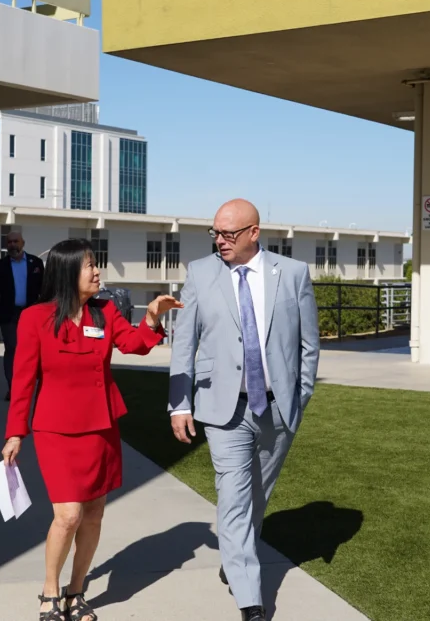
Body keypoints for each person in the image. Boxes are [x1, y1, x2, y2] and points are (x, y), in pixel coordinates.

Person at [1, 238, 182, 621]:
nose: (98, 271)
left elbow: (134, 344)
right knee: (67, 515)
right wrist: (15, 432)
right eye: (89, 265)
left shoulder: (106, 312)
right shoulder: (35, 318)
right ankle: (50, 591)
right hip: (56, 430)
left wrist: (151, 317)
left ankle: (75, 591)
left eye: (96, 264)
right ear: (68, 273)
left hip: (101, 427)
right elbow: (23, 380)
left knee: (95, 513)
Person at [168, 199, 320, 621]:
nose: (219, 241)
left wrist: (300, 395)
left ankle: (235, 557)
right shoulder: (200, 273)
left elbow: (310, 345)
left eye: (228, 234)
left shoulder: (292, 274)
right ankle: (251, 602)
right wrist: (178, 403)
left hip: (278, 409)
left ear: (254, 232)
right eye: (215, 233)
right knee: (233, 498)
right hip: (223, 410)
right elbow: (184, 344)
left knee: (258, 495)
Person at [0, 231, 44, 401]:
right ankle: (14, 388)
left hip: (31, 314)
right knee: (12, 349)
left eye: (16, 241)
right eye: (10, 242)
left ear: (23, 243)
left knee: (31, 351)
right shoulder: (0, 266)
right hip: (8, 314)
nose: (13, 245)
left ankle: (30, 385)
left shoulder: (36, 263)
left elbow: (45, 288)